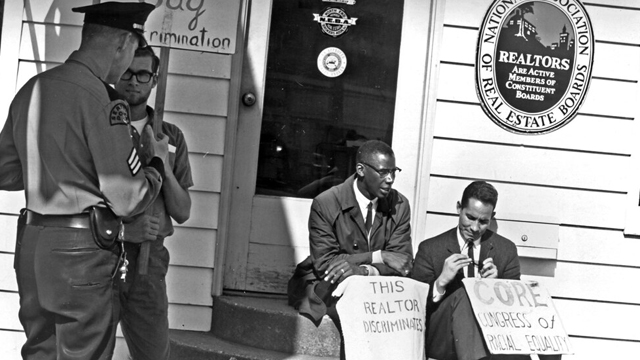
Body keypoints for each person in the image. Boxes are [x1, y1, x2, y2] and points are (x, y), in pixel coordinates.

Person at [0, 2, 164, 359]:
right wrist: (157, 166)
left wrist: (58, 167)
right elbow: (127, 198)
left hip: (32, 245)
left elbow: (5, 172)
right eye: (133, 51)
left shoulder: (34, 87)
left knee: (40, 351)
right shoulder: (104, 100)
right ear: (123, 44)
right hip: (81, 254)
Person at [288, 140, 413, 356]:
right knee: (357, 315)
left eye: (394, 171)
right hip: (329, 282)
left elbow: (401, 261)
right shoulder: (326, 203)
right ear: (361, 170)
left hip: (375, 286)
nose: (390, 179)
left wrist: (364, 270)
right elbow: (326, 263)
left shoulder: (399, 205)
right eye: (383, 172)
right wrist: (379, 256)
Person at [114, 46, 193, 360]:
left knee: (153, 355)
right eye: (127, 73)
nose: (134, 81)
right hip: (101, 257)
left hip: (148, 263)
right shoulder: (100, 128)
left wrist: (161, 160)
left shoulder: (169, 136)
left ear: (155, 79)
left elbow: (182, 211)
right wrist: (124, 229)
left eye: (143, 74)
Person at [412, 181, 529, 360]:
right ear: (459, 208)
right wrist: (440, 282)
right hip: (444, 338)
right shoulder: (430, 249)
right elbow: (415, 306)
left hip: (490, 337)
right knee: (464, 293)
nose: (475, 228)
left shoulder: (506, 250)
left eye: (483, 222)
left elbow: (516, 310)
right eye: (470, 217)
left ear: (492, 216)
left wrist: (497, 288)